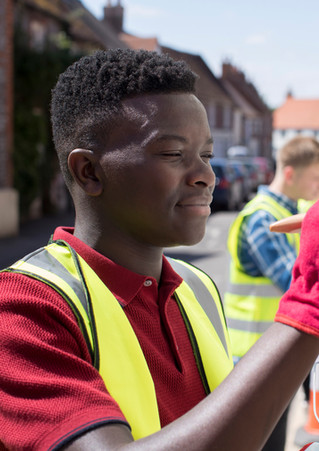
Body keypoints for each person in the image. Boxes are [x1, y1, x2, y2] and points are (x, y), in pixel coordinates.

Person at [1, 49, 319, 451]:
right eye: (173, 154)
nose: (206, 175)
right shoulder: (21, 307)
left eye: (206, 155)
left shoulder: (197, 287)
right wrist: (310, 300)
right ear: (90, 171)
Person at [224, 136, 319, 449]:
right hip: (255, 356)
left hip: (279, 351)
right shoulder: (264, 218)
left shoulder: (293, 208)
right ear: (290, 174)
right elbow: (293, 280)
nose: (318, 186)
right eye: (315, 178)